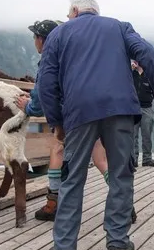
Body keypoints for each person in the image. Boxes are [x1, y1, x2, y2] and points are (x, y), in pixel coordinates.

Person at [34, 0, 154, 250]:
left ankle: (64, 249)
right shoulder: (119, 27)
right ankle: (118, 245)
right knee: (121, 175)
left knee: (72, 177)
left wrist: (56, 121)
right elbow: (147, 53)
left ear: (74, 10)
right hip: (120, 109)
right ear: (95, 11)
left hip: (79, 112)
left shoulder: (59, 34)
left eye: (69, 13)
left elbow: (46, 80)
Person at [25, 19, 127, 222]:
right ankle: (124, 202)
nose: (34, 40)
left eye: (35, 36)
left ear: (42, 40)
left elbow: (43, 92)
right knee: (100, 159)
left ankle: (53, 204)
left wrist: (28, 108)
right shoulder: (73, 55)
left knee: (58, 149)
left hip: (70, 115)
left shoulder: (49, 58)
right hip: (95, 111)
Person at [131, 60, 154, 168]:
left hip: (147, 108)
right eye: (135, 60)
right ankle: (133, 159)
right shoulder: (130, 74)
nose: (136, 62)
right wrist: (130, 70)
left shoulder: (149, 75)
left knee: (147, 135)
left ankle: (147, 159)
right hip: (132, 109)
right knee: (133, 135)